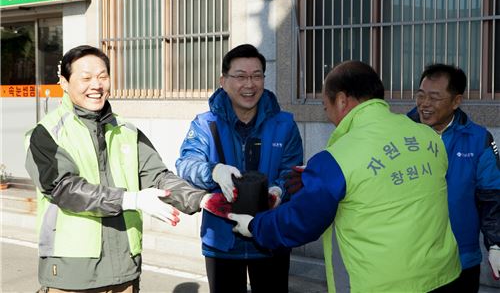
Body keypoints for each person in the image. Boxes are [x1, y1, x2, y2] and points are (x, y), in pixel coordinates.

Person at [229, 60, 462, 293]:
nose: (328, 114)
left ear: (341, 100)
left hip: (379, 284)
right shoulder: (429, 137)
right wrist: (319, 182)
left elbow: (301, 221)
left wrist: (255, 225)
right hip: (443, 275)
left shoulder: (336, 158)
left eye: (325, 106)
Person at [24, 45, 216, 292]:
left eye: (102, 76)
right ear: (64, 82)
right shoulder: (47, 133)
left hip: (124, 270)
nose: (96, 85)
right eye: (86, 78)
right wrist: (131, 199)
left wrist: (202, 199)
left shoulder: (127, 131)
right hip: (71, 273)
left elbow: (157, 177)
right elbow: (64, 188)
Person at [175, 43, 303, 293]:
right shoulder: (205, 124)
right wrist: (213, 171)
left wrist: (279, 191)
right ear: (223, 81)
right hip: (222, 240)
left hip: (271, 235)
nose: (250, 84)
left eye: (257, 76)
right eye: (241, 76)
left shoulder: (284, 124)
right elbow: (186, 164)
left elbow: (291, 171)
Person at [407, 63, 500, 291]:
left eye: (434, 97)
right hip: (410, 257)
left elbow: (493, 196)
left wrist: (496, 243)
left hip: (461, 258)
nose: (425, 104)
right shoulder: (401, 134)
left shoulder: (478, 139)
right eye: (421, 95)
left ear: (456, 101)